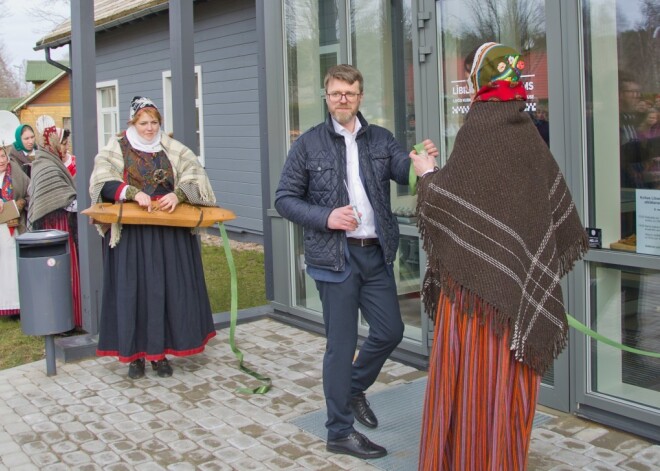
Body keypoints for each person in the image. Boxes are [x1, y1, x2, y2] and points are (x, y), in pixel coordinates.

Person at [410, 43, 588, 470]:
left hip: (475, 303)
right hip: (518, 297)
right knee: (505, 390)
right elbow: (541, 212)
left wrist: (426, 174)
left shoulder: (480, 127)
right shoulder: (529, 133)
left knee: (471, 383)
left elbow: (447, 208)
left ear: (476, 79)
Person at [274, 64, 438, 460]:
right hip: (335, 258)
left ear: (360, 96)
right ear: (326, 97)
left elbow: (402, 170)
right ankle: (339, 431)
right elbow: (284, 199)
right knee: (340, 345)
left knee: (390, 331)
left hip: (375, 253)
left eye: (349, 93)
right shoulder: (308, 144)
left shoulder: (379, 138)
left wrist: (420, 162)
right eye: (335, 93)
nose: (342, 99)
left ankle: (350, 388)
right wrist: (327, 217)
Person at [89, 96, 217, 379]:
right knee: (134, 292)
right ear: (132, 123)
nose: (149, 128)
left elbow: (196, 176)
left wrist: (178, 194)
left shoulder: (172, 149)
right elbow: (101, 181)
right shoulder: (116, 148)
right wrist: (132, 193)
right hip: (132, 235)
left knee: (167, 291)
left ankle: (160, 354)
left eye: (154, 122)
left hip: (168, 231)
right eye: (143, 123)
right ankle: (136, 355)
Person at [27, 125, 82, 328]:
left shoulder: (48, 161)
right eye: (64, 143)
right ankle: (66, 318)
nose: (67, 147)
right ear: (54, 143)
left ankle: (69, 317)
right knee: (64, 272)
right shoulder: (47, 167)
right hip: (57, 228)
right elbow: (65, 201)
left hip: (59, 226)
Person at [0, 145, 29, 317]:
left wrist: (20, 203)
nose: (1, 160)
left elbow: (29, 191)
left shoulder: (16, 173)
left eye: (3, 156)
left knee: (14, 265)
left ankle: (17, 305)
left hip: (15, 226)